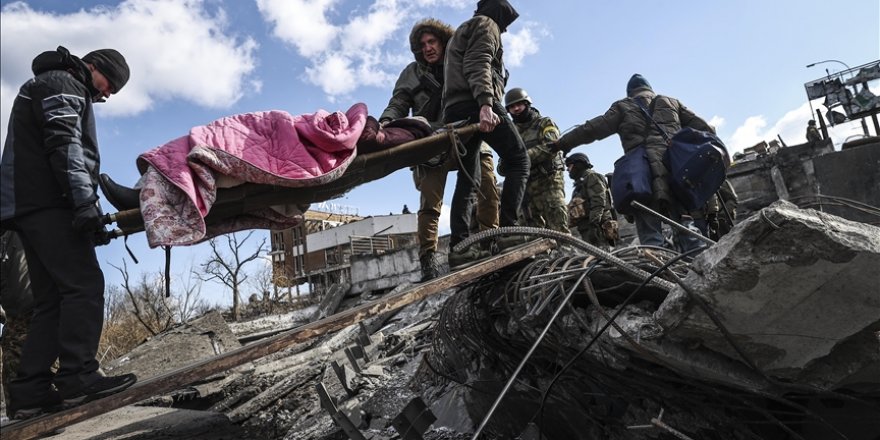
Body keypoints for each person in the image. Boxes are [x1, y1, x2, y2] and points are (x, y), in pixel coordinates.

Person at [0, 46, 137, 419]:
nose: (108, 94)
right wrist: (83, 204)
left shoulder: (48, 83)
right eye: (110, 84)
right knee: (84, 286)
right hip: (48, 203)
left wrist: (84, 206)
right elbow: (64, 144)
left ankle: (31, 392)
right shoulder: (63, 82)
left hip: (29, 208)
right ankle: (79, 378)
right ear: (93, 68)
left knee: (53, 301)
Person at [379, 18, 500, 281]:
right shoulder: (412, 72)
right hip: (431, 141)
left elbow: (485, 78)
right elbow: (398, 102)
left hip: (469, 133)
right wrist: (385, 122)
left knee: (488, 188)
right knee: (430, 205)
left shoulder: (461, 60)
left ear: (443, 41)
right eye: (422, 45)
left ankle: (490, 243)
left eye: (432, 41)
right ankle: (428, 260)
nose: (428, 48)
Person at [553, 74, 712, 253]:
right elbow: (707, 130)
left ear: (630, 93)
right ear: (650, 89)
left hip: (642, 177)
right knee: (686, 225)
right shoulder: (672, 103)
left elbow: (592, 129)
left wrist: (563, 143)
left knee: (651, 236)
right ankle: (701, 270)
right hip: (675, 171)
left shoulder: (623, 106)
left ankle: (661, 275)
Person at [442, 0, 529, 267]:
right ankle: (509, 233)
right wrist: (485, 104)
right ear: (499, 15)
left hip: (455, 109)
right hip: (474, 104)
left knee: (469, 179)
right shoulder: (487, 24)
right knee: (519, 160)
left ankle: (460, 248)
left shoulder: (463, 29)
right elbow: (478, 62)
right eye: (505, 25)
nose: (504, 31)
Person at [504, 87, 568, 233]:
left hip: (549, 182)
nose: (516, 109)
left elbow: (551, 147)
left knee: (559, 227)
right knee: (534, 233)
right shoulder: (510, 134)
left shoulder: (544, 123)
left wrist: (521, 159)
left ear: (527, 104)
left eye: (519, 104)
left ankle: (566, 253)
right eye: (512, 107)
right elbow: (502, 166)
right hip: (526, 189)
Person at [564, 153, 614, 247]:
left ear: (578, 165)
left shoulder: (592, 177)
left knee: (602, 257)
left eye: (570, 166)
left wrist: (594, 225)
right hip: (587, 228)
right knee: (594, 259)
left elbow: (598, 202)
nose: (567, 169)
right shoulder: (581, 183)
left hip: (597, 228)